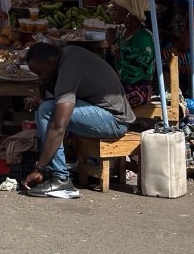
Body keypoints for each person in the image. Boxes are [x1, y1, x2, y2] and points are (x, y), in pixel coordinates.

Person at [23, 41, 136, 199]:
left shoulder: (69, 67)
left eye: (40, 72)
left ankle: (60, 178)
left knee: (47, 111)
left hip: (115, 120)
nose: (40, 77)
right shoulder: (67, 54)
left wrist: (39, 167)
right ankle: (53, 171)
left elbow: (58, 127)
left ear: (49, 62)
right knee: (44, 107)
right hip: (103, 112)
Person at [108, 0, 156, 107]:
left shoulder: (144, 38)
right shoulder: (123, 32)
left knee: (101, 101)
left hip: (138, 90)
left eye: (116, 10)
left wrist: (112, 45)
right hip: (122, 86)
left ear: (129, 13)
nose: (112, 14)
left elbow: (131, 76)